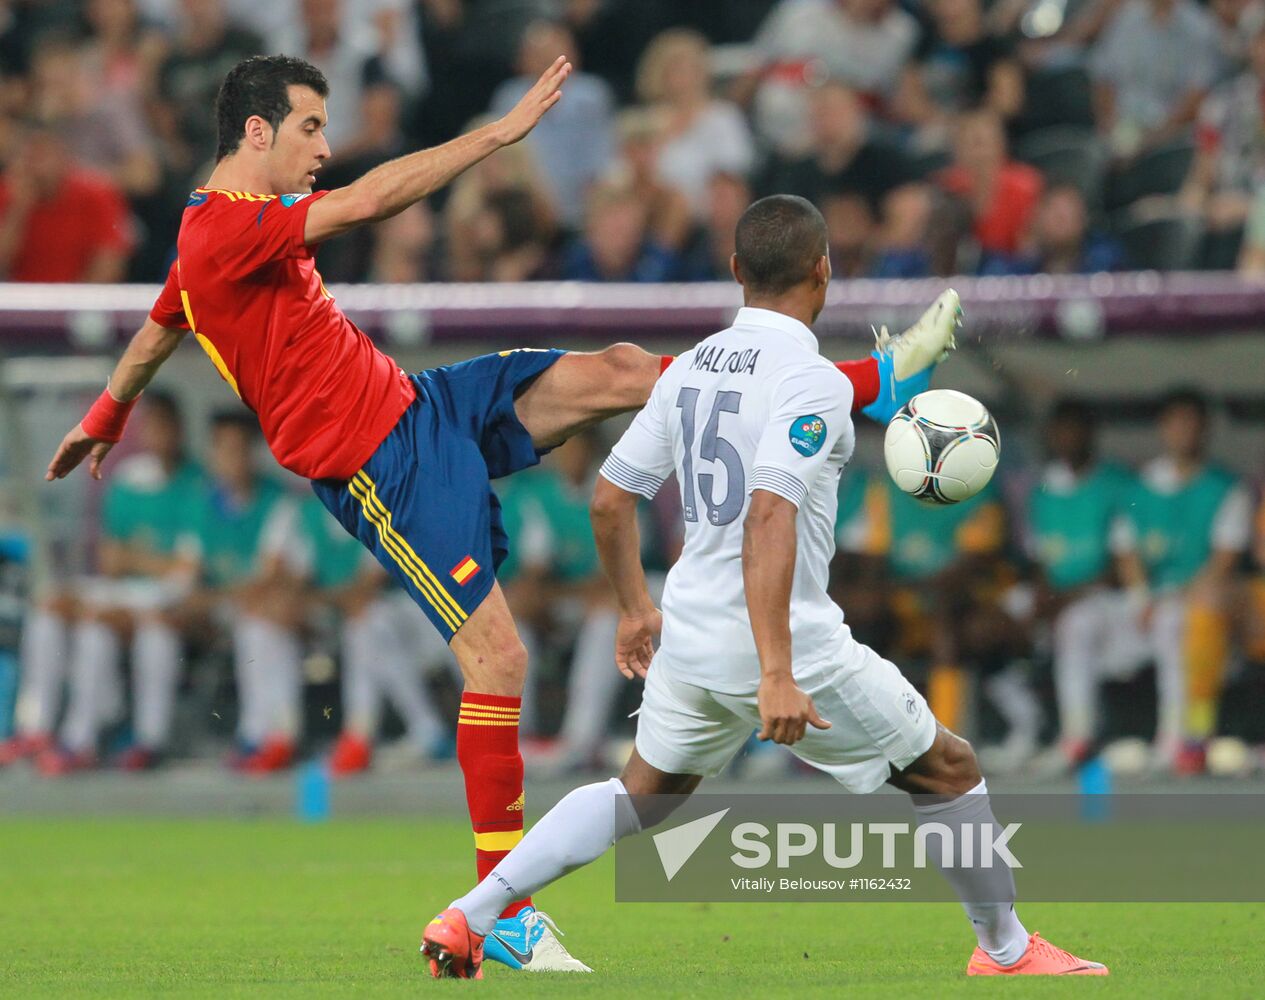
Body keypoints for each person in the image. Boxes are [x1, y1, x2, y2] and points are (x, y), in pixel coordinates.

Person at [44, 53, 953, 971]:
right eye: (311, 128)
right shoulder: (224, 235)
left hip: (420, 405)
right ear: (255, 133)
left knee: (622, 372)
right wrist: (496, 136)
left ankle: (866, 386)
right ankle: (502, 913)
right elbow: (363, 205)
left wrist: (103, 416)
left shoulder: (209, 242)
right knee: (499, 659)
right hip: (375, 464)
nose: (324, 147)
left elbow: (164, 321)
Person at [421, 196, 1103, 980]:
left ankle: (470, 915)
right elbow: (769, 514)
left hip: (687, 633)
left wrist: (636, 608)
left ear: (737, 270)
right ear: (824, 271)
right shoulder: (806, 380)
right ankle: (1006, 952)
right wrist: (776, 670)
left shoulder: (689, 369)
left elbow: (610, 497)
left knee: (642, 792)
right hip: (784, 643)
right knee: (948, 769)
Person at [1113, 390, 1252, 773]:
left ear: (1206, 430)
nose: (1185, 432)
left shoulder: (1225, 487)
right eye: (1177, 423)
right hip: (1141, 605)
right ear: (1163, 428)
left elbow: (1224, 561)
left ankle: (1178, 736)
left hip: (1190, 606)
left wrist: (1165, 600)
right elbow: (1126, 553)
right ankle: (1075, 737)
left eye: (1193, 423)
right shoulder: (1139, 488)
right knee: (1077, 624)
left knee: (1175, 619)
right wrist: (1142, 598)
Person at [1026, 400, 1139, 771]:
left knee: (1076, 621)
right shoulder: (1044, 489)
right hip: (1061, 599)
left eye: (1075, 429)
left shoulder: (1117, 484)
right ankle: (1026, 729)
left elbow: (1121, 566)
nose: (1067, 439)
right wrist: (1043, 595)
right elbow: (1040, 559)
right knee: (1008, 615)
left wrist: (1063, 598)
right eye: (1060, 431)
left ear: (1091, 435)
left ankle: (1077, 737)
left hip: (1108, 601)